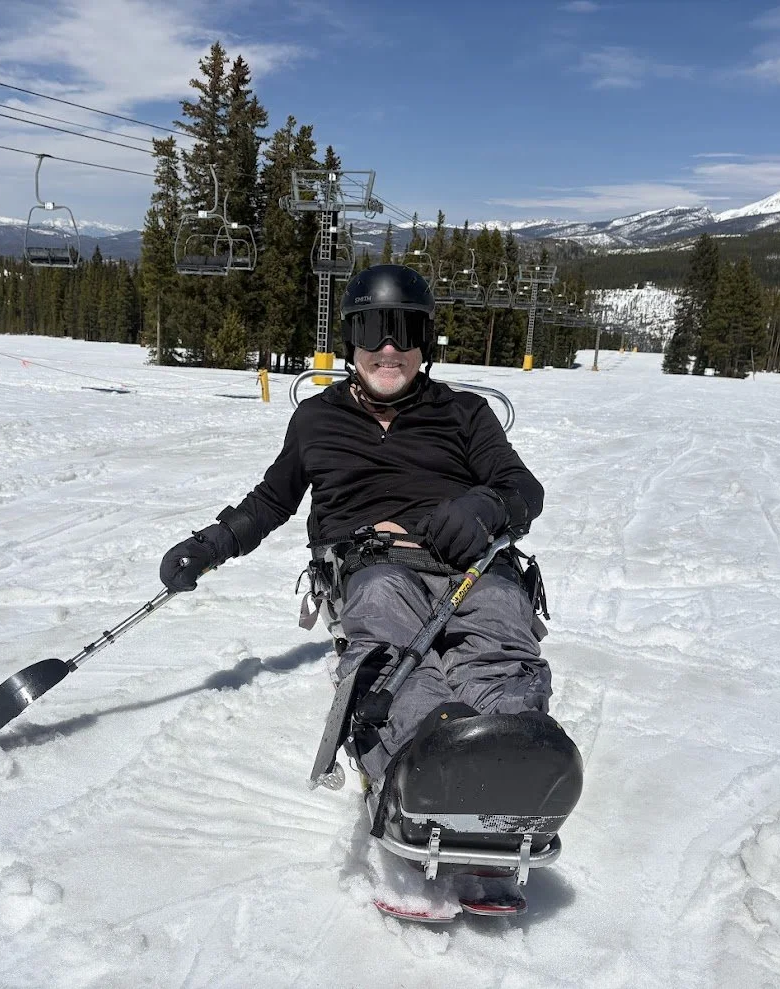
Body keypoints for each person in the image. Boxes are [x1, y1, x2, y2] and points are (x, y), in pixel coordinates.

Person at [159, 263, 552, 790]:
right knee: (389, 629)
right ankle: (425, 755)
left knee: (501, 614)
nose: (388, 350)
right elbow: (272, 501)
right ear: (351, 341)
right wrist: (210, 545)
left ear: (424, 343)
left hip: (470, 565)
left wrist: (485, 506)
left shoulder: (465, 413)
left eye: (405, 332)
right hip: (375, 564)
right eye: (372, 331)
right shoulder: (318, 419)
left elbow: (523, 489)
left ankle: (518, 745)